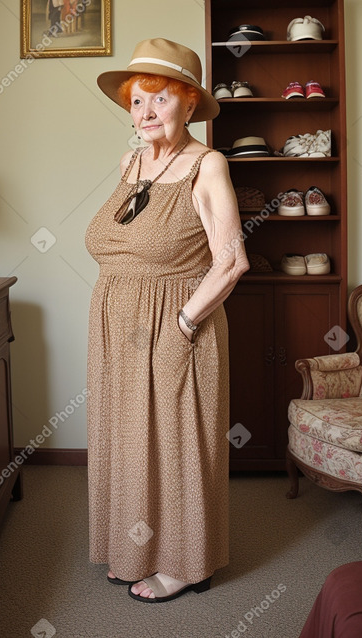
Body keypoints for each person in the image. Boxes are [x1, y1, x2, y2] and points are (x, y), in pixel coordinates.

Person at [85, 38, 249, 603]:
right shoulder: (131, 161)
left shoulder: (208, 164)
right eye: (136, 101)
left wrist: (181, 324)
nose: (146, 112)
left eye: (160, 99)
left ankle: (186, 564)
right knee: (129, 443)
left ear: (187, 103)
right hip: (117, 327)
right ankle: (135, 549)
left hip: (178, 324)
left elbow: (231, 261)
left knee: (178, 447)